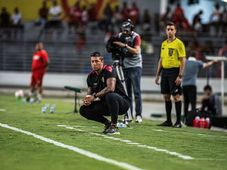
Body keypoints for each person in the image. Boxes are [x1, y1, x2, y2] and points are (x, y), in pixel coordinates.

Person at [79, 52, 130, 135]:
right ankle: (107, 124)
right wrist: (87, 100)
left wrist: (94, 96)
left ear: (102, 61)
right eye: (92, 62)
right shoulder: (91, 76)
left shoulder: (109, 70)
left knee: (110, 95)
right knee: (83, 109)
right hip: (107, 104)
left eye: (96, 61)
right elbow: (89, 93)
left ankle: (114, 126)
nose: (94, 64)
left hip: (122, 103)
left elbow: (110, 88)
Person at [155, 22, 186, 128]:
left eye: (172, 29)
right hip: (165, 72)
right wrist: (157, 74)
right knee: (166, 96)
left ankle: (178, 121)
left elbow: (182, 60)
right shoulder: (164, 44)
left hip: (174, 72)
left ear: (175, 31)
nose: (170, 31)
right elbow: (161, 59)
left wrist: (180, 75)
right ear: (166, 30)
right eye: (168, 29)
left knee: (177, 97)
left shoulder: (179, 43)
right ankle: (168, 120)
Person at [113, 19, 143, 123]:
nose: (125, 32)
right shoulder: (120, 35)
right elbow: (113, 43)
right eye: (123, 30)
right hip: (125, 67)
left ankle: (138, 115)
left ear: (131, 29)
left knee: (136, 92)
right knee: (127, 93)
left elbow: (136, 51)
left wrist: (125, 46)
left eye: (127, 30)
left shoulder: (136, 36)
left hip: (135, 66)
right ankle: (128, 115)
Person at [182, 51, 217, 121]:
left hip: (184, 85)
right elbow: (206, 65)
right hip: (192, 85)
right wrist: (213, 62)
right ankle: (192, 119)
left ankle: (185, 118)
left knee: (186, 103)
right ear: (196, 56)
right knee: (193, 103)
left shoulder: (185, 62)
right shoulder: (197, 62)